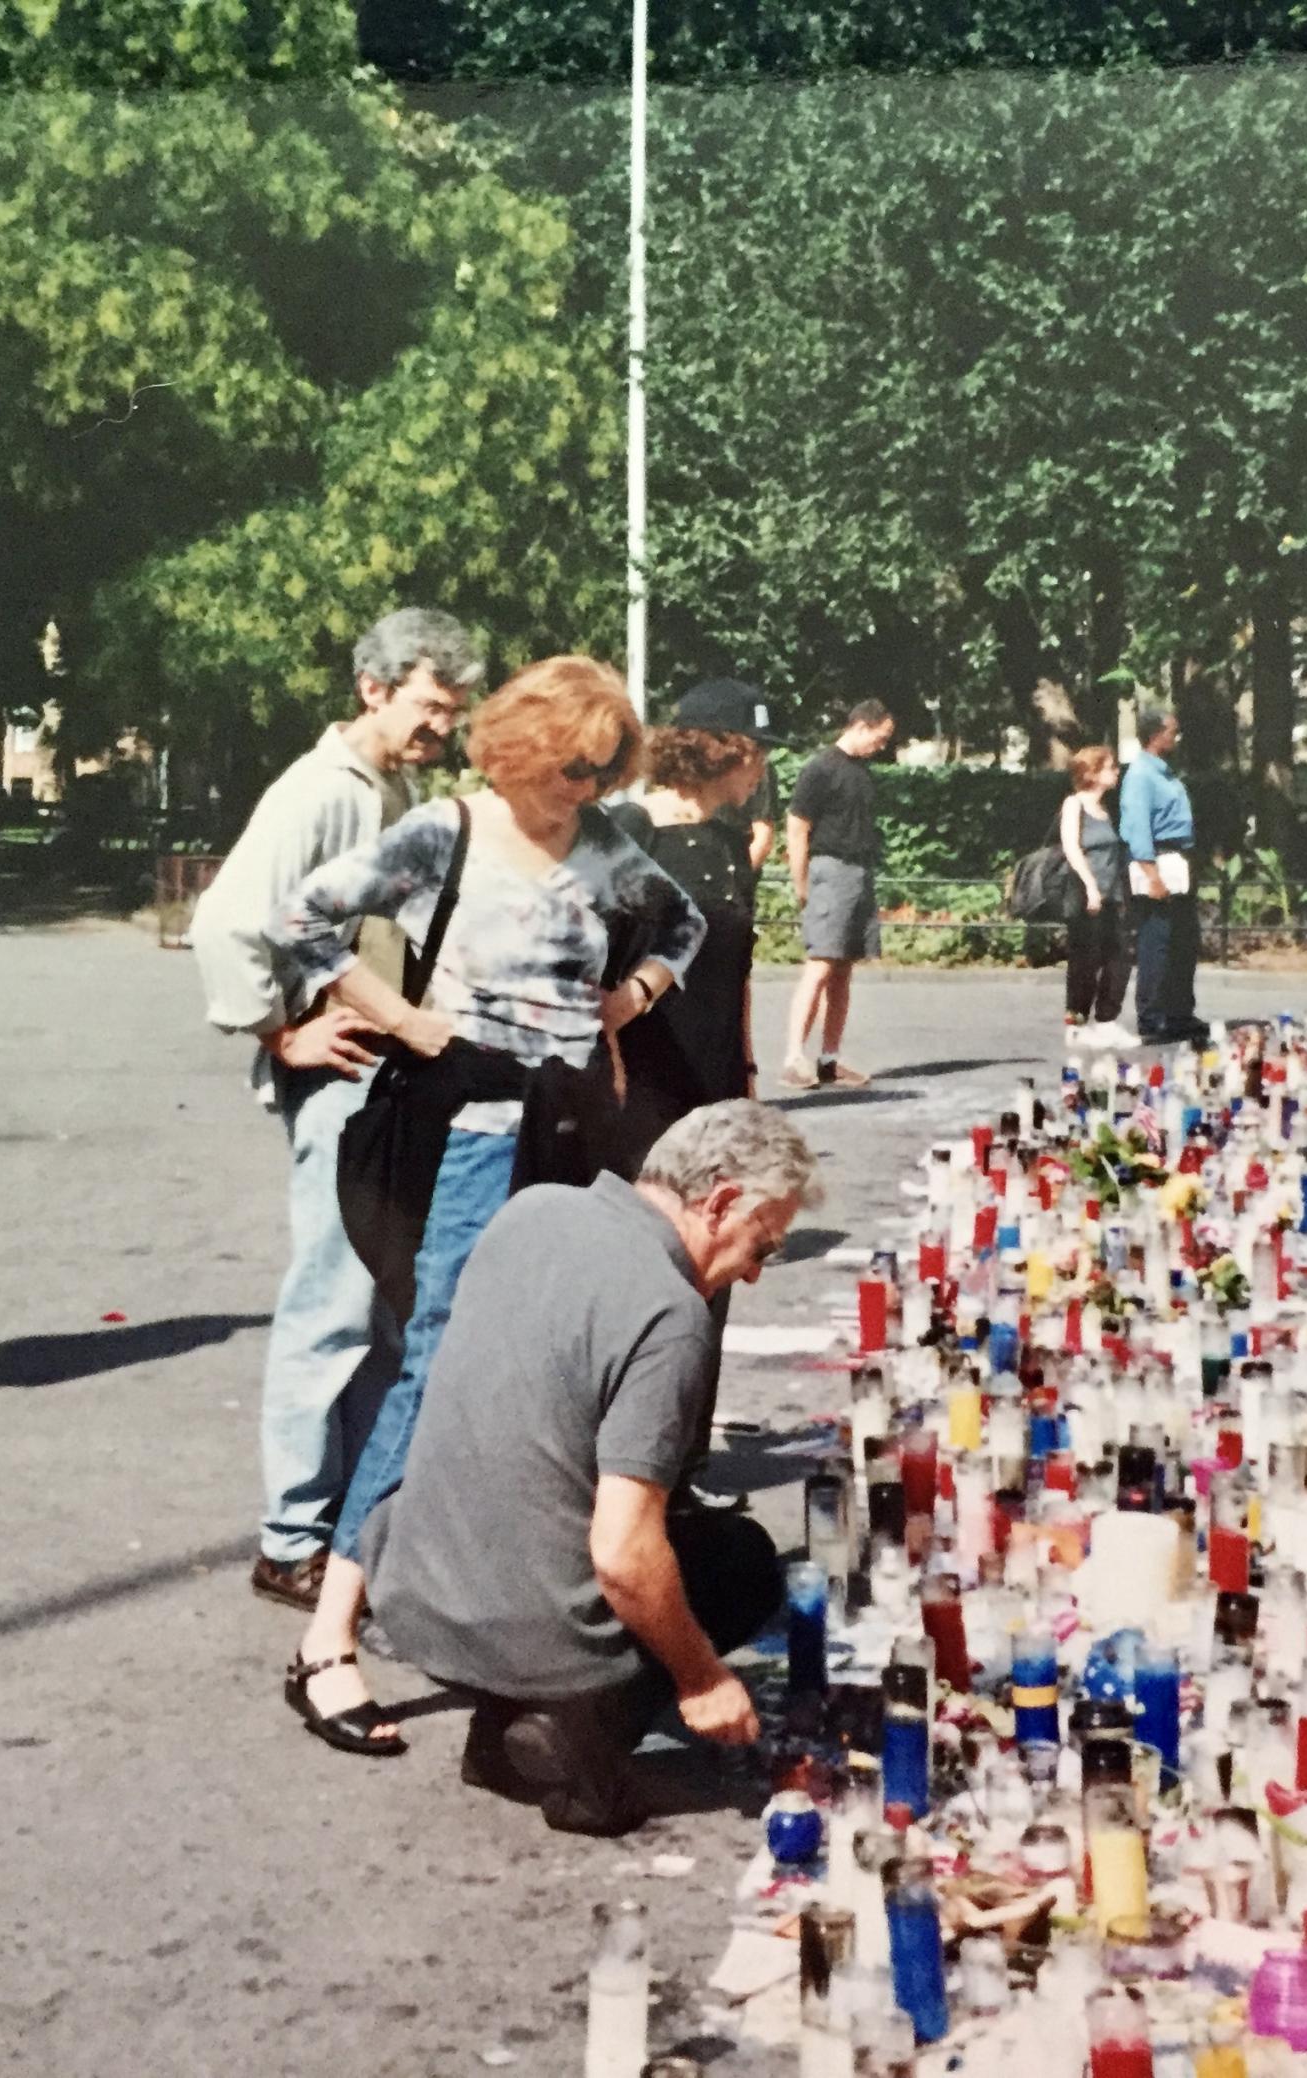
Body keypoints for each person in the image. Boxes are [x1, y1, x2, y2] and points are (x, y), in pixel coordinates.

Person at [269, 656, 705, 1755]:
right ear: (518, 746)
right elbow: (301, 917)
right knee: (437, 1361)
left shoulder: (604, 843)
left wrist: (626, 997)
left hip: (569, 1123)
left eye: (607, 768)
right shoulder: (445, 832)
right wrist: (408, 1023)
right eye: (574, 764)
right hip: (464, 1128)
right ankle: (329, 1637)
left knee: (546, 1368)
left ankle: (514, 1615)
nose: (590, 785)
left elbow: (684, 922)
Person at [360, 1100, 820, 1835]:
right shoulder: (671, 1313)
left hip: (412, 1596)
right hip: (529, 1625)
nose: (755, 1274)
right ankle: (576, 1728)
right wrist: (702, 1678)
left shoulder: (532, 1210)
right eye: (761, 1247)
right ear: (721, 1201)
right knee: (740, 1567)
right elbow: (622, 1554)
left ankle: (518, 1705)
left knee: (670, 1531)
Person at [188, 606, 485, 1613]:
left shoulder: (391, 785)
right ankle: (291, 1536)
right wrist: (276, 1031)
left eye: (450, 711)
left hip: (382, 1067)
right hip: (338, 1070)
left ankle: (355, 1518)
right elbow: (226, 920)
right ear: (374, 686)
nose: (439, 727)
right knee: (333, 1300)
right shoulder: (319, 790)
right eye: (427, 706)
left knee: (380, 1297)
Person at [606, 678, 787, 1156]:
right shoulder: (634, 829)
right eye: (757, 753)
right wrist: (610, 1062)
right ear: (717, 750)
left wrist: (747, 1071)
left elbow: (737, 968)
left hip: (717, 1069)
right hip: (647, 1068)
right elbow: (598, 959)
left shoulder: (731, 841)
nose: (763, 770)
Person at [780, 699, 897, 1089]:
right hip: (830, 870)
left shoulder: (862, 772)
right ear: (862, 726)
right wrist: (802, 884)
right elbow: (797, 827)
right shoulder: (820, 768)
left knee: (843, 969)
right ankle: (794, 1059)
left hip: (859, 872)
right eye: (879, 738)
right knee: (821, 966)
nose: (881, 747)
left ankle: (830, 1058)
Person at [1119, 706, 1208, 1047]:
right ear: (1155, 735)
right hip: (1157, 858)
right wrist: (1150, 874)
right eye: (1172, 731)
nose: (1177, 737)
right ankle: (1152, 1016)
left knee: (1184, 940)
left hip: (1179, 859)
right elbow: (1137, 825)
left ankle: (1179, 1012)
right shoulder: (1141, 774)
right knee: (1157, 940)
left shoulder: (1165, 773)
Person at [1058, 742, 1137, 1048]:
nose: (1115, 772)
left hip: (1113, 894)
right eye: (1110, 767)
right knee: (1084, 962)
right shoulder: (1074, 804)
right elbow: (1071, 848)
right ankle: (1076, 1024)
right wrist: (1090, 885)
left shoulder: (1106, 811)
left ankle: (1107, 1020)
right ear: (1091, 772)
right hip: (1084, 894)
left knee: (1119, 957)